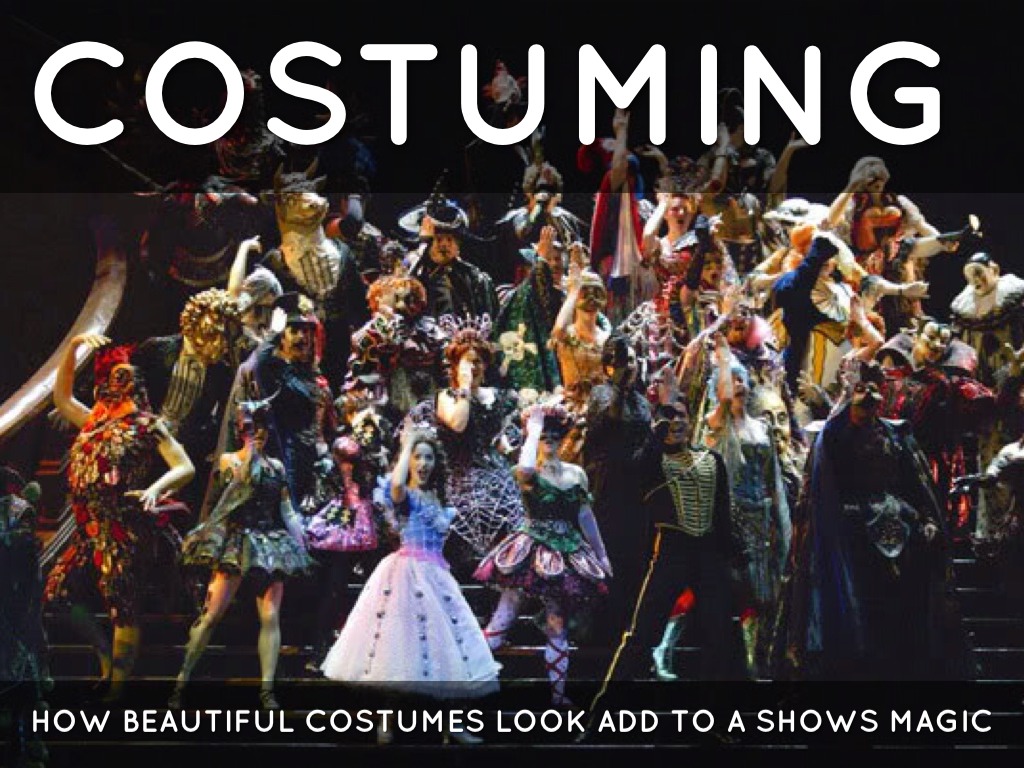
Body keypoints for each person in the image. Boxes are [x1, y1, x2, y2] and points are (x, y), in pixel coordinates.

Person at [773, 362, 975, 680]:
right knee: (863, 610)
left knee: (902, 610)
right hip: (854, 537)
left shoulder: (896, 435)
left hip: (901, 531)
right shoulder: (835, 439)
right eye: (860, 390)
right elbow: (824, 493)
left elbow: (914, 485)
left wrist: (924, 517)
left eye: (872, 389)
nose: (868, 396)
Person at [320, 420, 499, 744]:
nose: (424, 464)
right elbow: (396, 486)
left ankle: (451, 725)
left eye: (429, 457)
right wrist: (409, 445)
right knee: (397, 651)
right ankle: (386, 722)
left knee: (447, 650)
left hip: (437, 577)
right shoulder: (405, 495)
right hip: (405, 575)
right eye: (418, 457)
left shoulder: (437, 499)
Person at [44, 334, 195, 701]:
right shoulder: (91, 421)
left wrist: (155, 489)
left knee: (121, 606)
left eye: (126, 377)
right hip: (86, 528)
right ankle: (103, 653)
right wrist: (74, 346)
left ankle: (118, 686)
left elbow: (184, 466)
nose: (120, 383)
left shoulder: (147, 425)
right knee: (57, 593)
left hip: (119, 527)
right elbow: (61, 397)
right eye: (114, 376)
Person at [169, 397, 312, 710]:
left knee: (270, 615)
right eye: (250, 427)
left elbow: (286, 510)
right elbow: (234, 493)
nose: (256, 432)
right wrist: (251, 454)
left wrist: (301, 540)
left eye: (261, 427)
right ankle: (182, 680)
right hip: (235, 541)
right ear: (240, 430)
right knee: (211, 615)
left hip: (268, 543)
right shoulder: (229, 460)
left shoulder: (276, 467)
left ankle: (267, 689)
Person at [475, 402, 612, 707]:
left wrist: (601, 555)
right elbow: (524, 470)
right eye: (544, 436)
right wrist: (533, 428)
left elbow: (585, 515)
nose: (549, 440)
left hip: (564, 551)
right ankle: (469, 685)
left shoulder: (576, 473)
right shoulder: (527, 469)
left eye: (554, 435)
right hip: (529, 547)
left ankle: (559, 696)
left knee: (557, 623)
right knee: (504, 616)